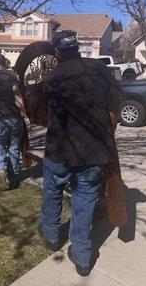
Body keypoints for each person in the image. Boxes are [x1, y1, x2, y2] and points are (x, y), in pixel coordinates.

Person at [38, 30, 124, 276]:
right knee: (85, 201)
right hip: (93, 151)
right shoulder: (99, 70)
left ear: (57, 52)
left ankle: (52, 235)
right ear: (78, 47)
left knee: (52, 191)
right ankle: (83, 256)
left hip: (59, 150)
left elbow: (45, 115)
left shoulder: (52, 79)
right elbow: (116, 104)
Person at [0, 53, 30, 190]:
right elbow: (17, 96)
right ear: (4, 63)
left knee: (0, 147)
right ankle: (13, 177)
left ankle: (0, 169)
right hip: (15, 117)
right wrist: (24, 115)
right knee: (14, 148)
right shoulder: (11, 76)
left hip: (0, 118)